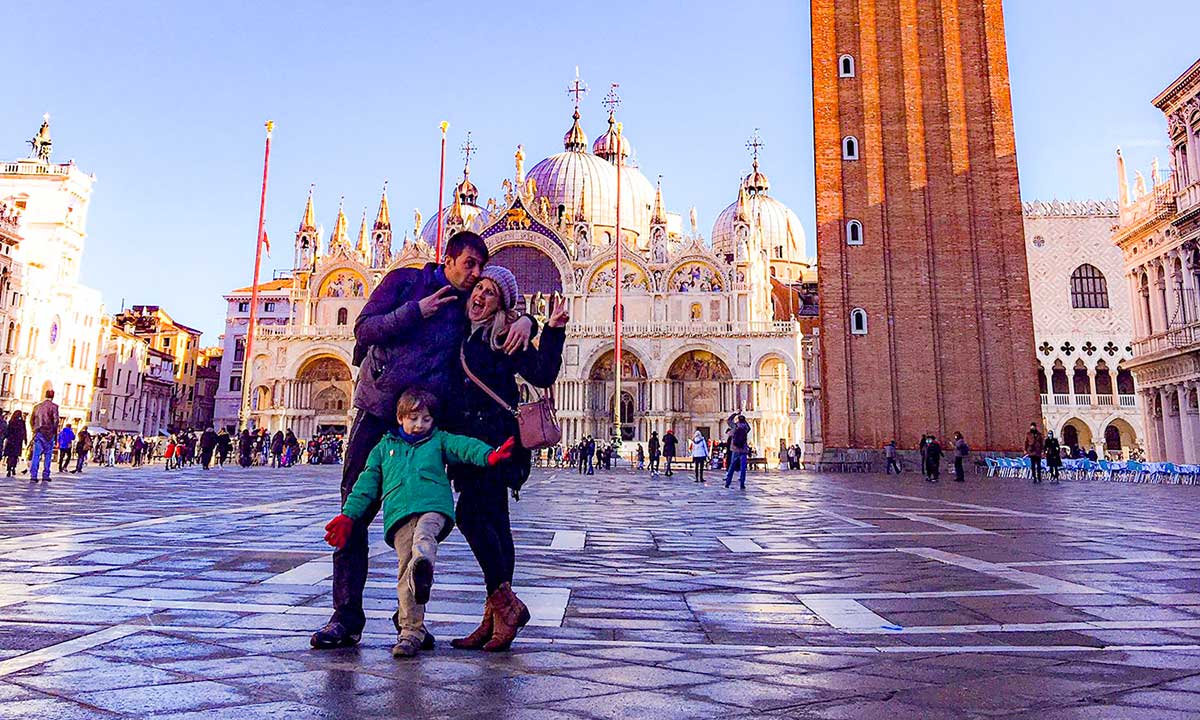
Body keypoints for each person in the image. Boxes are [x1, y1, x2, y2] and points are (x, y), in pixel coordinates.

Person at [312, 231, 534, 650]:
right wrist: (415, 311)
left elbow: (502, 310)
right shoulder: (405, 283)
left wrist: (527, 319)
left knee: (421, 517)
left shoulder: (466, 306)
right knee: (353, 512)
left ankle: (409, 619)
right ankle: (345, 617)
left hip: (428, 427)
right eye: (469, 265)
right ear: (447, 259)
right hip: (378, 414)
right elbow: (364, 329)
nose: (475, 276)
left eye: (480, 269)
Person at [323, 388, 517, 658]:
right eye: (413, 419)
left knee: (424, 538)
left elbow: (464, 446)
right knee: (406, 575)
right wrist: (349, 515)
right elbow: (364, 486)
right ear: (399, 418)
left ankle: (423, 559)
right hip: (400, 515)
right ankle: (411, 631)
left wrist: (489, 455)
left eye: (426, 419)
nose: (420, 425)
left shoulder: (438, 440)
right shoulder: (383, 449)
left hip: (432, 507)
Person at [450, 265, 567, 653]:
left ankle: (506, 606)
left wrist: (550, 328)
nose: (480, 296)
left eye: (491, 293)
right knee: (496, 524)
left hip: (497, 445)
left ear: (502, 305)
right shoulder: (459, 329)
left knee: (469, 516)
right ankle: (496, 618)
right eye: (479, 289)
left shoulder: (502, 335)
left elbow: (543, 372)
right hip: (467, 446)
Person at [29, 390, 60, 483]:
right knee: (48, 455)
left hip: (38, 433)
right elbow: (56, 421)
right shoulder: (54, 407)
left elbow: (31, 420)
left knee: (36, 455)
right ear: (53, 396)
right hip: (49, 434)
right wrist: (54, 434)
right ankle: (46, 475)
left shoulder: (37, 407)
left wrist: (34, 430)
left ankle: (33, 475)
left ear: (45, 395)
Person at [723, 414, 751, 490]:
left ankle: (727, 483)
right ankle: (742, 483)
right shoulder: (745, 428)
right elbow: (749, 428)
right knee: (743, 468)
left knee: (732, 466)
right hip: (743, 449)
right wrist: (744, 420)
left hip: (735, 449)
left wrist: (735, 414)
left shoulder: (735, 426)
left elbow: (729, 420)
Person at [3, 411, 26, 477]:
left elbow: (8, 431)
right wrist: (25, 439)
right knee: (15, 456)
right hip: (18, 441)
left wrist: (6, 437)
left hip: (10, 441)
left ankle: (9, 469)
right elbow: (24, 431)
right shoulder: (22, 422)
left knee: (10, 456)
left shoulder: (11, 421)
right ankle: (13, 468)